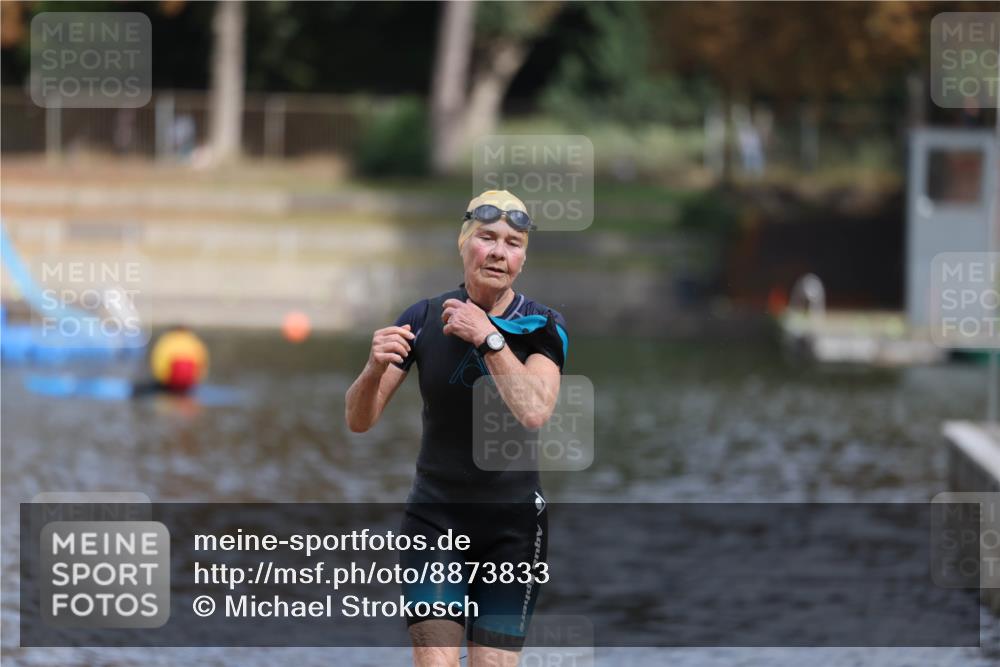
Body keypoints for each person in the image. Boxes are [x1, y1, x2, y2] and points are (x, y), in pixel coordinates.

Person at [345, 190, 568, 666]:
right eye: (486, 237)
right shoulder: (423, 318)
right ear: (464, 244)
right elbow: (359, 420)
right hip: (435, 519)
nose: (498, 252)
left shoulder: (542, 326)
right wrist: (370, 369)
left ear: (522, 259)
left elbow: (535, 410)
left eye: (512, 243)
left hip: (513, 527)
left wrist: (486, 336)